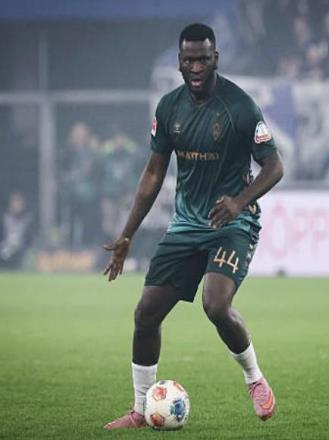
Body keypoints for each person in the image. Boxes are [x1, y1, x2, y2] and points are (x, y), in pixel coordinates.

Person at [103, 23, 284, 429]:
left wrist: (239, 202)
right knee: (146, 314)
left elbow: (274, 166)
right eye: (189, 60)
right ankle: (140, 410)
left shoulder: (240, 107)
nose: (196, 67)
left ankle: (254, 379)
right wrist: (127, 233)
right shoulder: (169, 108)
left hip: (232, 224)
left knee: (215, 305)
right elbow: (153, 173)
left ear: (215, 58)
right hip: (186, 226)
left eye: (203, 59)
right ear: (180, 62)